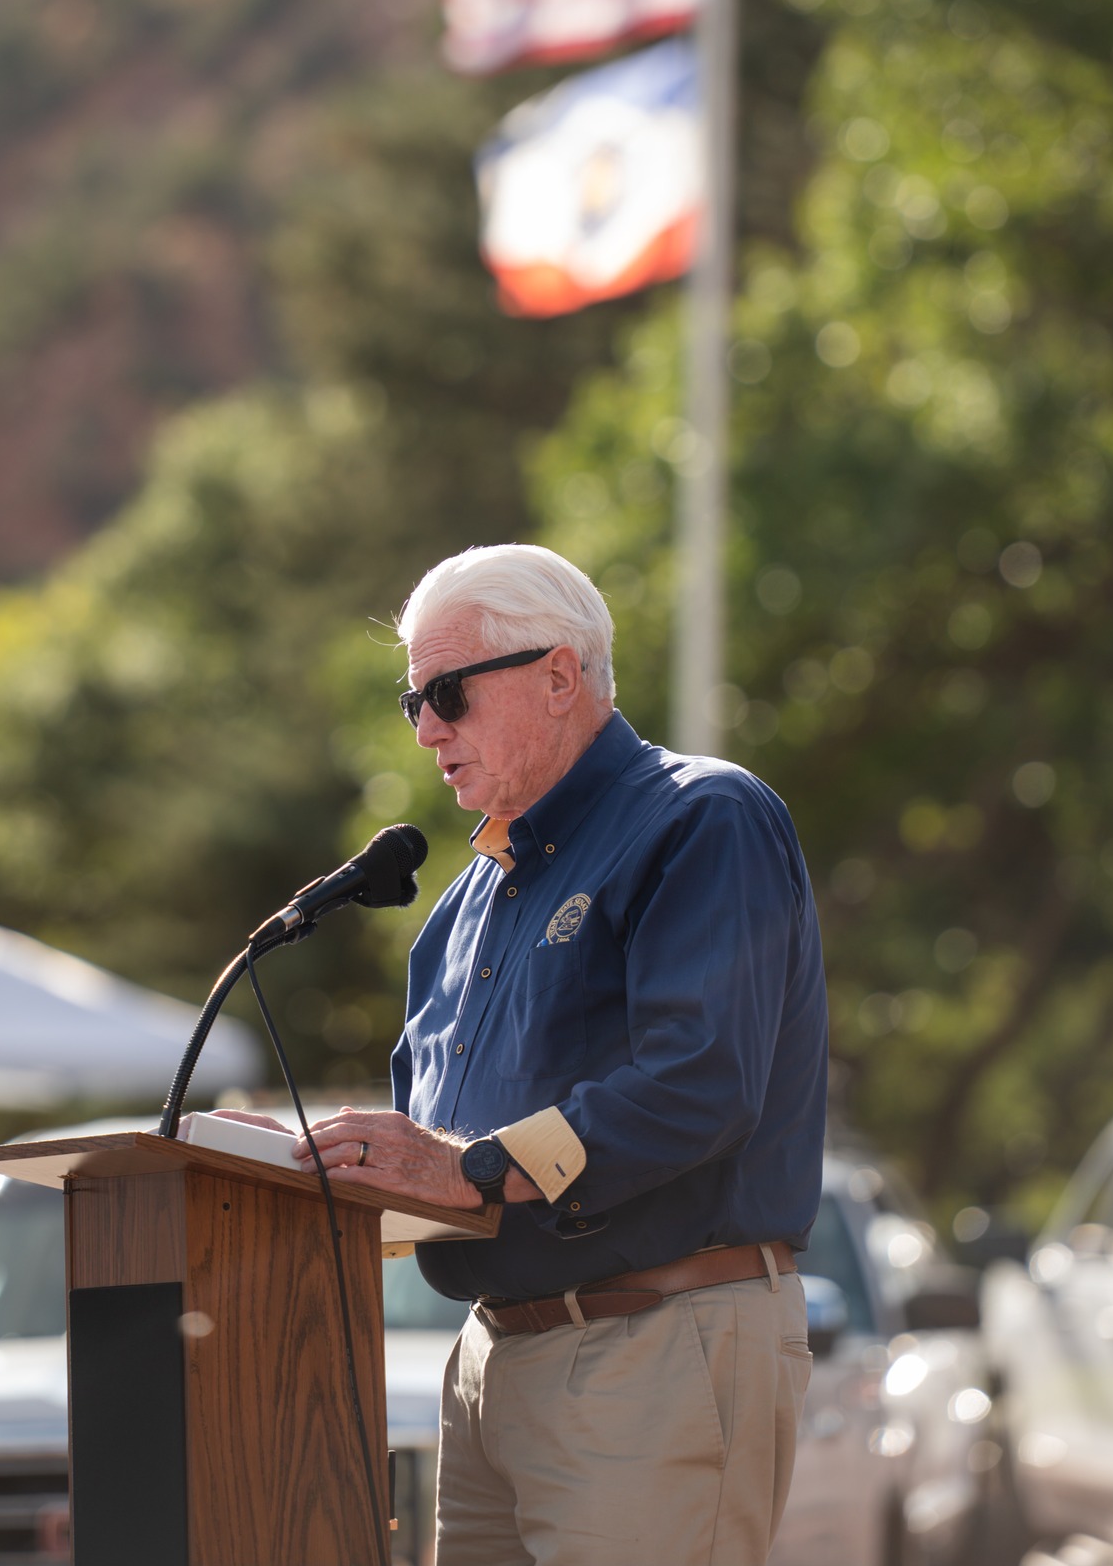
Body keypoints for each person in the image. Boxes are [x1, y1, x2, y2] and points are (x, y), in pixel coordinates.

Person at [297, 543, 827, 1566]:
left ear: (558, 674)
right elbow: (438, 1151)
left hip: (654, 1339)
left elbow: (697, 1083)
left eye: (448, 690)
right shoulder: (459, 906)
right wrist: (324, 1174)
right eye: (414, 703)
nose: (429, 729)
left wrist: (469, 1167)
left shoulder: (700, 817)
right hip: (493, 1353)